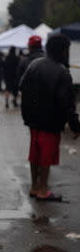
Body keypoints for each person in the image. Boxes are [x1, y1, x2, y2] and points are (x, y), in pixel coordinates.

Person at [19, 34, 80, 201]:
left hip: (33, 121)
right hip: (51, 122)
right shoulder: (61, 72)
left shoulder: (34, 65)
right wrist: (75, 126)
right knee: (45, 155)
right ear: (62, 50)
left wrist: (27, 114)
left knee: (35, 154)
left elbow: (22, 87)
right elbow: (67, 103)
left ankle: (34, 187)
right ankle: (43, 189)